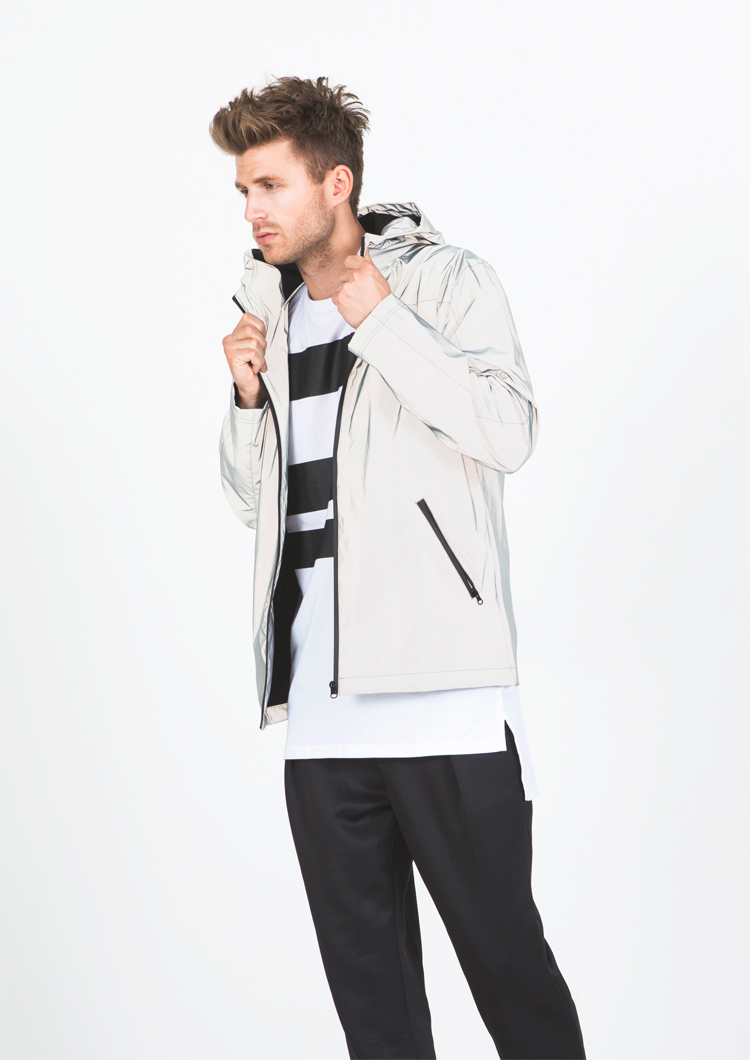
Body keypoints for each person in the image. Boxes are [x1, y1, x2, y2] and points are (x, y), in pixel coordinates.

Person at [210, 75, 586, 1060]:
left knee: (513, 981)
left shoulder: (448, 281)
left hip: (445, 702)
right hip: (321, 728)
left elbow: (508, 431)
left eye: (269, 186)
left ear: (335, 183)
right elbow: (257, 507)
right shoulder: (271, 314)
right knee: (377, 1022)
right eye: (243, 190)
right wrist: (246, 400)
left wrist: (382, 321)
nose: (251, 211)